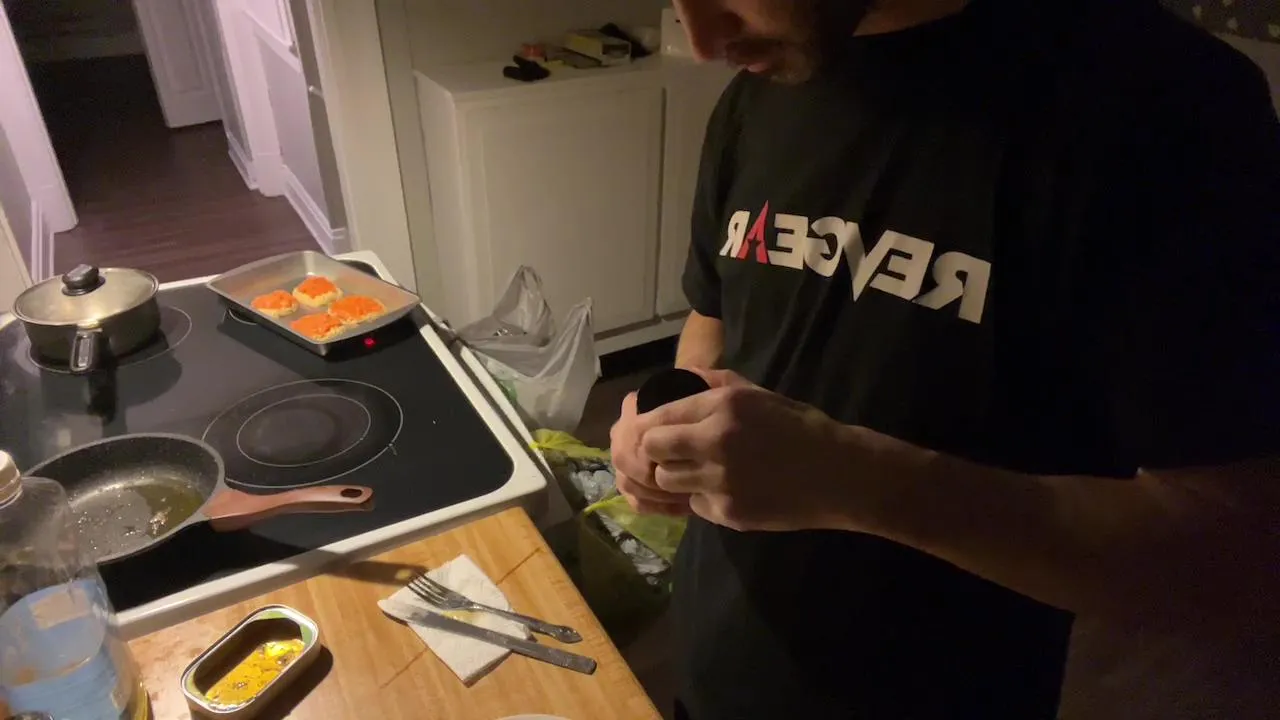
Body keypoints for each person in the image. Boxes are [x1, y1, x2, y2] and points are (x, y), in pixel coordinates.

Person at [608, 0, 1280, 718]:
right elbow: (715, 317)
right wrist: (666, 426)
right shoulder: (764, 87)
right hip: (716, 671)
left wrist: (852, 478)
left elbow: (1232, 555)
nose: (702, 40)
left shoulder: (1169, 108)